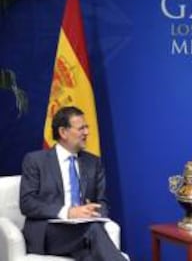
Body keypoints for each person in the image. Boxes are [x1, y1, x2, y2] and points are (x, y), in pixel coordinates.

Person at [20, 106, 127, 261]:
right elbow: (27, 203)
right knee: (93, 230)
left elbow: (102, 201)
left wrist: (93, 212)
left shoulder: (93, 163)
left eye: (87, 127)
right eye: (81, 128)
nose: (87, 133)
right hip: (49, 232)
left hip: (83, 233)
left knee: (90, 255)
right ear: (63, 132)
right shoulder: (35, 161)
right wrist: (68, 212)